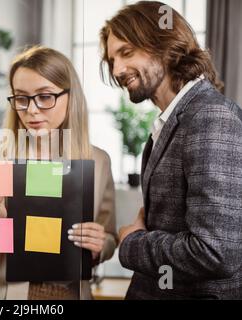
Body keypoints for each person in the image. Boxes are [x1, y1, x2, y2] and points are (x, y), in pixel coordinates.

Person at [100, 1, 242, 299]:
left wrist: (132, 242)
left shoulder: (210, 117)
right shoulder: (173, 120)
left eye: (127, 52)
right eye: (112, 59)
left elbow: (214, 252)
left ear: (165, 45)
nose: (117, 69)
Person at [0, 46, 118, 300]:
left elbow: (107, 237)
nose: (31, 110)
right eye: (21, 98)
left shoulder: (97, 162)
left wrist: (101, 245)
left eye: (44, 96)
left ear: (70, 97)